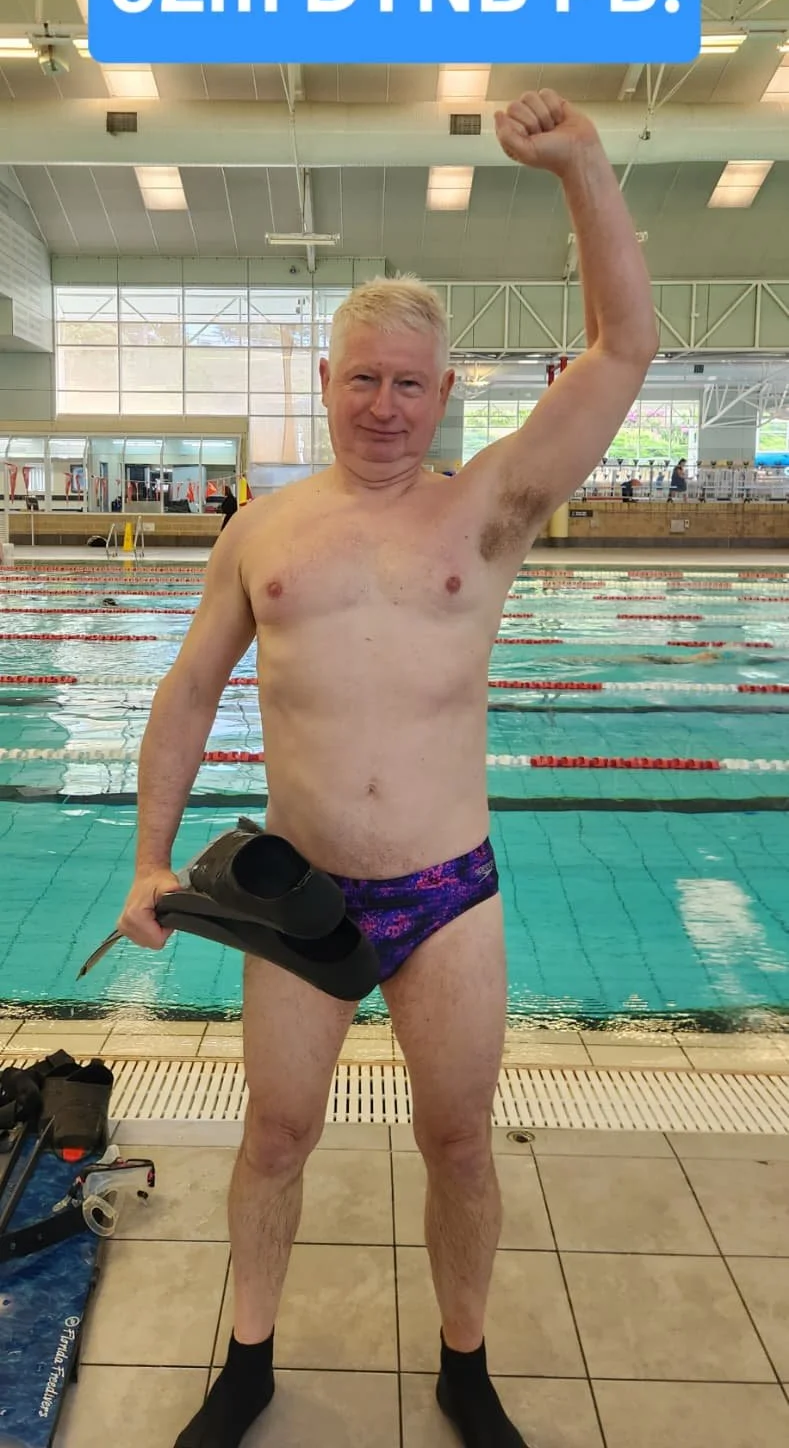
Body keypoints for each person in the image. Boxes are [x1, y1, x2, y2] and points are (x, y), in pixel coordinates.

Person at [117, 88, 658, 1448]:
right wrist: (147, 859)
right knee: (276, 1136)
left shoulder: (489, 509)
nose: (384, 404)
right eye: (362, 378)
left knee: (460, 1140)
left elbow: (624, 348)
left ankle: (465, 1366)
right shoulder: (262, 530)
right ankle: (248, 1360)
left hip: (446, 891)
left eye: (411, 382)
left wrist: (583, 165)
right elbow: (188, 692)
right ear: (325, 383)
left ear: (446, 393)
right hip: (299, 895)